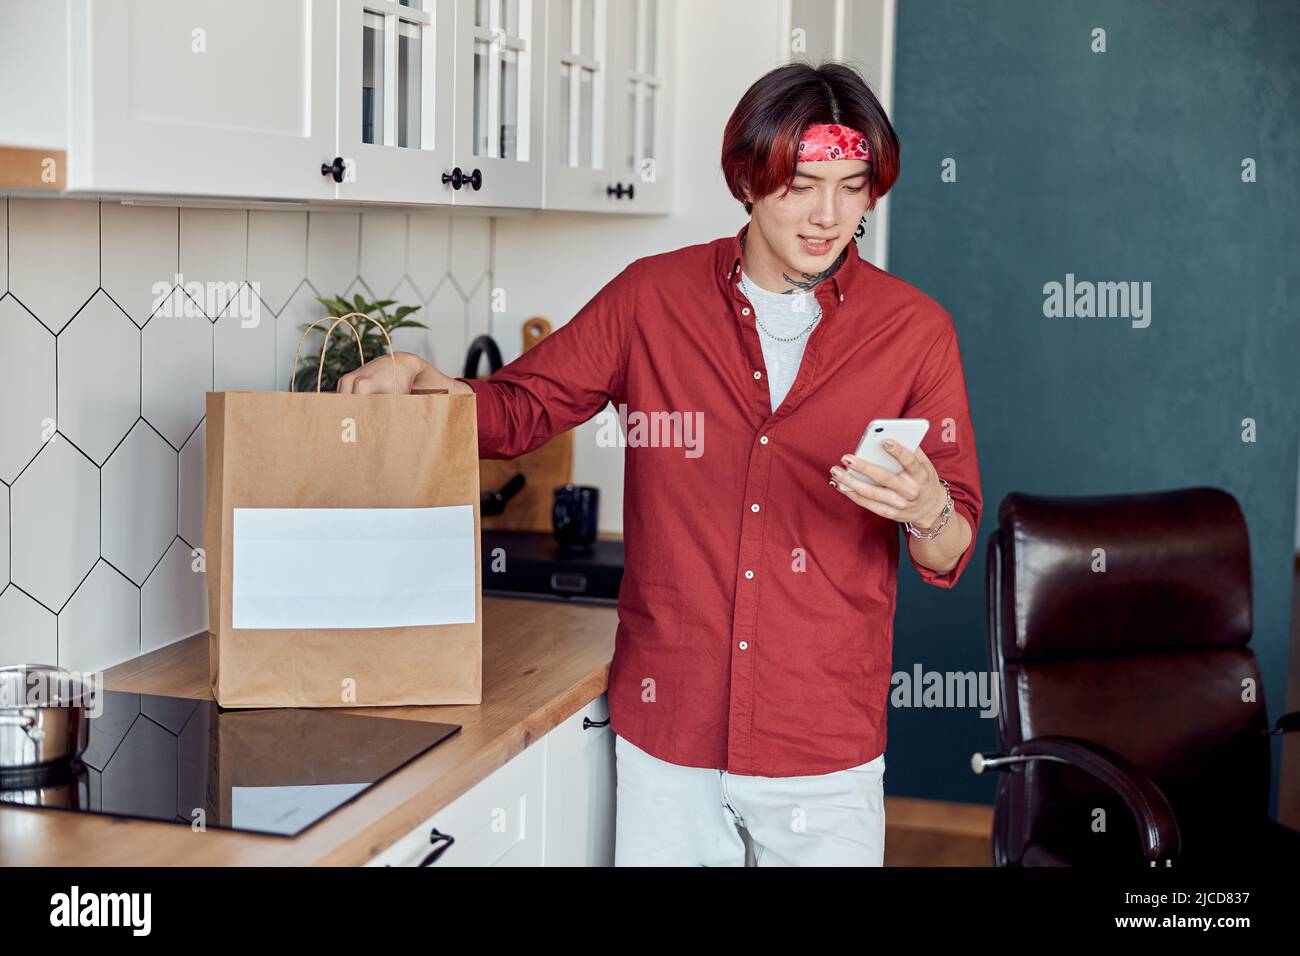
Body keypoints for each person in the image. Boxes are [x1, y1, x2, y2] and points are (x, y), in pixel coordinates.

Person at [338, 61, 982, 867]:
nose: (828, 216)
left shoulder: (915, 332)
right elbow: (521, 408)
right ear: (748, 178)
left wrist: (926, 509)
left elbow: (950, 548)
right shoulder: (652, 298)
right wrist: (422, 378)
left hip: (824, 742)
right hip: (668, 728)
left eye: (852, 187)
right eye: (800, 185)